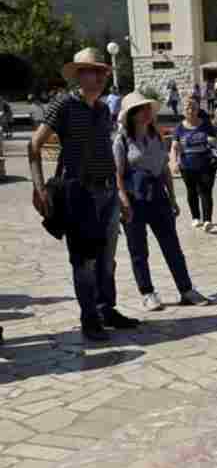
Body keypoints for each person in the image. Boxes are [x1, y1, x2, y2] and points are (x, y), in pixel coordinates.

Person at [29, 48, 141, 342]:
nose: (102, 76)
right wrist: (39, 188)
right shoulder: (64, 104)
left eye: (103, 71)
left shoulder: (103, 109)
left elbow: (105, 151)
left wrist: (119, 194)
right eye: (95, 71)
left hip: (107, 192)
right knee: (84, 261)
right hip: (79, 193)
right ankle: (89, 319)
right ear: (80, 75)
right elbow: (34, 144)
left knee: (107, 260)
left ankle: (107, 310)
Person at [114, 92, 209, 311]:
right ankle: (147, 292)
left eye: (149, 108)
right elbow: (117, 174)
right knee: (138, 249)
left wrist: (173, 198)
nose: (148, 112)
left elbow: (164, 168)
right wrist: (124, 202)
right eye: (143, 109)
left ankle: (186, 290)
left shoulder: (156, 136)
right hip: (134, 199)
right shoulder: (121, 140)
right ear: (132, 115)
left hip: (158, 197)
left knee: (172, 246)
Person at [172, 97, 217, 232]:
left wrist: (213, 139)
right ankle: (195, 217)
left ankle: (207, 220)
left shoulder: (206, 124)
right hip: (187, 165)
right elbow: (174, 146)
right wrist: (174, 162)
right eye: (188, 108)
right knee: (192, 191)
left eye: (193, 108)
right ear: (183, 111)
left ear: (198, 109)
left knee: (206, 190)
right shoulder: (179, 128)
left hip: (206, 163)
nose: (191, 111)